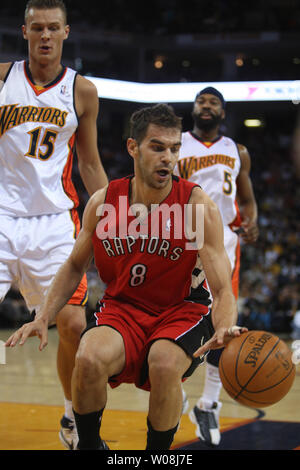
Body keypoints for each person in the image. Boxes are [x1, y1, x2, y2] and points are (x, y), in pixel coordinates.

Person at [6, 103, 247, 450]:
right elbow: (75, 265)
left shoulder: (196, 205)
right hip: (123, 309)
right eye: (158, 147)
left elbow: (223, 288)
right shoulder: (105, 203)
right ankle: (89, 445)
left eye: (174, 149)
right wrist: (43, 315)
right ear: (133, 147)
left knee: (164, 364)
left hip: (182, 311)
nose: (168, 157)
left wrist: (224, 326)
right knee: (87, 358)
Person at [0, 0, 108, 450]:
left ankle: (70, 415)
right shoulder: (3, 78)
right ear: (25, 31)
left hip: (54, 223)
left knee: (72, 325)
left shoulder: (81, 91)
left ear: (66, 32)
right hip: (1, 216)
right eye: (37, 28)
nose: (45, 36)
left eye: (53, 28)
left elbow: (88, 163)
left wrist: (115, 216)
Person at [175, 87, 258, 446]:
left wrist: (251, 222)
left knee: (223, 322)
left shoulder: (237, 151)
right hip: (178, 233)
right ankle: (173, 388)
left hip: (223, 239)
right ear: (193, 109)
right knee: (171, 314)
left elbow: (248, 199)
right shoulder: (174, 143)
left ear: (223, 113)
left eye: (213, 103)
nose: (206, 106)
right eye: (201, 101)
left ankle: (209, 403)